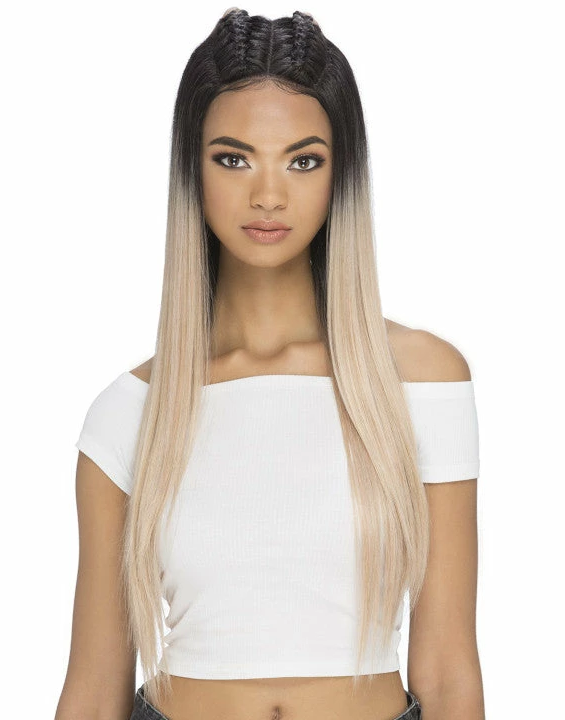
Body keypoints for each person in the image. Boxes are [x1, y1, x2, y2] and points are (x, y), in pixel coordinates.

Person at [55, 8, 485, 720]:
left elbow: (448, 670)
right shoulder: (128, 413)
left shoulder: (421, 381)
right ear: (191, 170)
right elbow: (94, 693)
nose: (267, 194)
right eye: (233, 158)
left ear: (341, 173)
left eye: (302, 160)